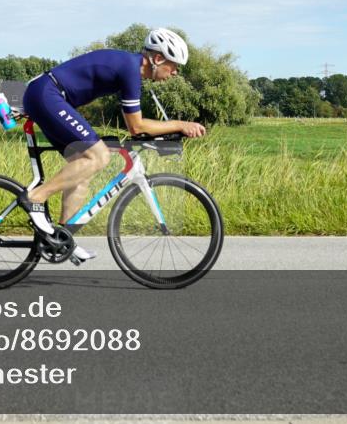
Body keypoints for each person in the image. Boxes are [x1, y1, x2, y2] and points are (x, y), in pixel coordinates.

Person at [18, 28, 206, 264]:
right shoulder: (130, 69)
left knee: (83, 168)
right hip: (47, 93)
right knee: (99, 156)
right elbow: (136, 127)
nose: (176, 72)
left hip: (49, 95)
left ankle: (61, 238)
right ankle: (35, 197)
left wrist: (172, 129)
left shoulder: (130, 68)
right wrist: (181, 125)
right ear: (158, 59)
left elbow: (135, 123)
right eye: (174, 65)